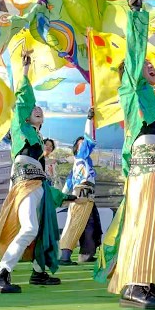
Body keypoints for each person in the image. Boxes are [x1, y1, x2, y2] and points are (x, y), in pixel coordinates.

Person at [96, 0, 155, 308]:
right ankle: (134, 285)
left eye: (152, 64)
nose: (150, 66)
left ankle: (149, 277)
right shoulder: (132, 89)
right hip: (146, 169)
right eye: (145, 63)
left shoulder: (153, 101)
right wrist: (137, 15)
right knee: (146, 221)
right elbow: (135, 55)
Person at [0, 50, 66, 293]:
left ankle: (39, 272)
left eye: (41, 109)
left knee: (41, 230)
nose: (37, 109)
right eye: (34, 108)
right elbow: (22, 100)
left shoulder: (38, 139)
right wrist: (24, 70)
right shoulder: (21, 129)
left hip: (38, 186)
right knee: (30, 228)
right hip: (25, 186)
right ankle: (1, 272)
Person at [58, 110, 102, 266]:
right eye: (80, 144)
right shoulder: (82, 157)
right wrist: (89, 120)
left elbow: (67, 185)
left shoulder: (80, 163)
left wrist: (62, 197)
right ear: (77, 149)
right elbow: (89, 138)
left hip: (85, 195)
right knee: (76, 224)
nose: (84, 145)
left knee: (90, 225)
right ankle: (65, 256)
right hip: (82, 194)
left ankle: (86, 253)